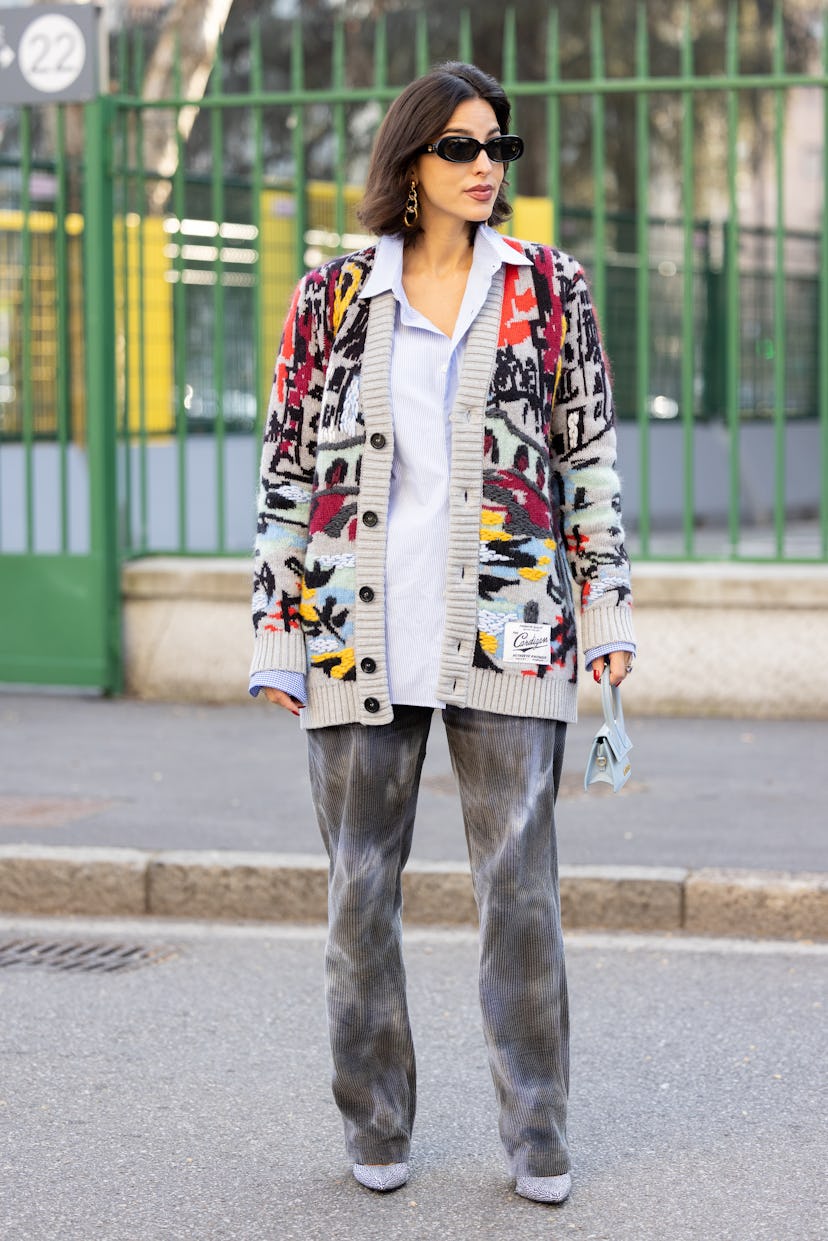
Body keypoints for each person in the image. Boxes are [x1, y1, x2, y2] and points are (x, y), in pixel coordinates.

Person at [249, 61, 636, 1204]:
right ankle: (375, 1119)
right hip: (351, 631)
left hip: (512, 631)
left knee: (519, 892)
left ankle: (538, 1130)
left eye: (497, 149)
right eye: (462, 147)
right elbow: (284, 474)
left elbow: (589, 468)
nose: (485, 167)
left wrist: (606, 606)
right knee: (357, 894)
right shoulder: (330, 301)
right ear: (409, 160)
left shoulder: (550, 291)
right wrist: (276, 631)